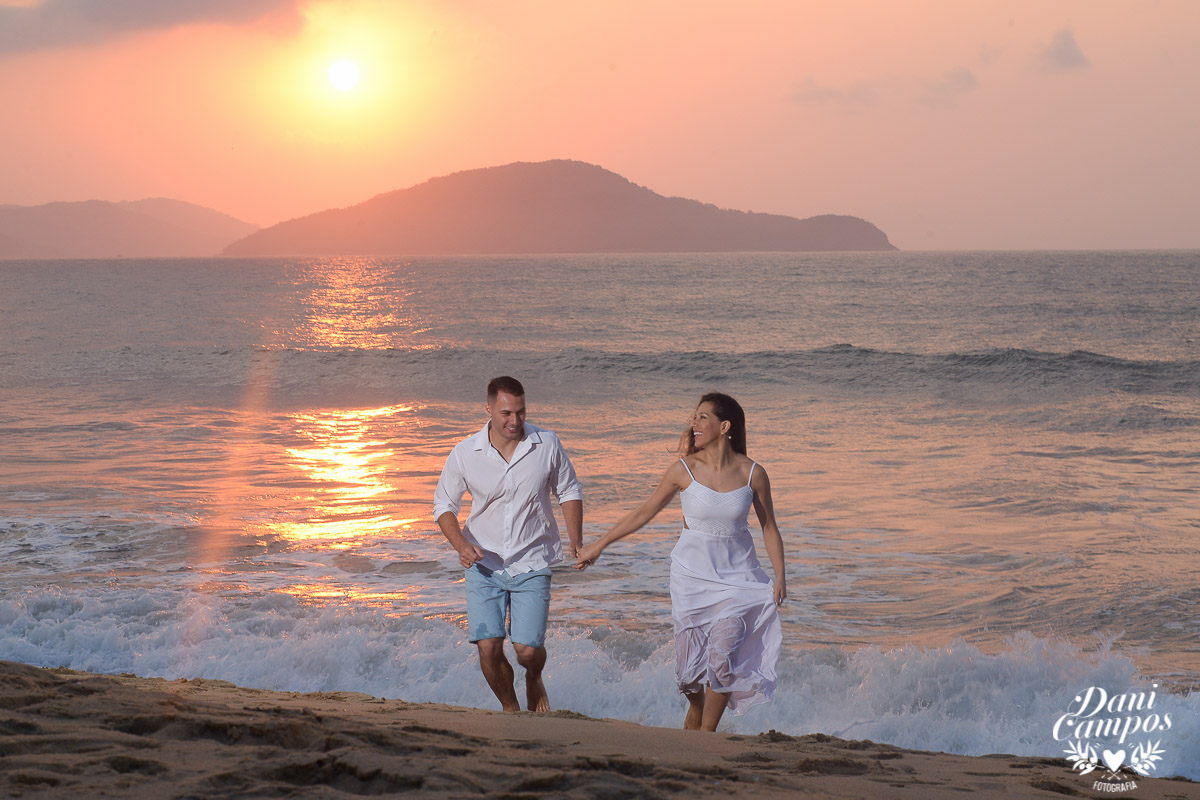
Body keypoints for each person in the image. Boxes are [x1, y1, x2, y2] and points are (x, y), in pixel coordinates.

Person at [575, 392, 785, 731]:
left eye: (703, 417)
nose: (694, 423)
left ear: (725, 425)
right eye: (695, 417)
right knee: (689, 677)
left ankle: (706, 736)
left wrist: (779, 576)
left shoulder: (753, 474)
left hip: (738, 581)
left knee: (722, 659)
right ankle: (696, 717)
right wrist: (598, 545)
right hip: (691, 580)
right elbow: (644, 511)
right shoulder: (683, 470)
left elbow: (769, 527)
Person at [434, 376, 583, 713]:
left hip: (532, 559)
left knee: (527, 651)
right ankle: (511, 711)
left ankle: (534, 676)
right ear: (488, 409)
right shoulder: (465, 453)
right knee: (488, 646)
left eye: (520, 412)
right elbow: (444, 505)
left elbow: (569, 490)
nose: (515, 421)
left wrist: (576, 538)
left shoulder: (546, 443)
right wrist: (460, 544)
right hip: (483, 562)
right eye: (505, 413)